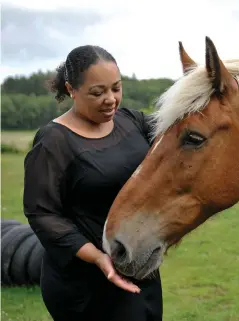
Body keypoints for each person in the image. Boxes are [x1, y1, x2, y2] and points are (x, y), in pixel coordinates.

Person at [23, 45, 163, 321]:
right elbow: (42, 213)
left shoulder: (131, 121)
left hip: (136, 264)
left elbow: (177, 134)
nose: (111, 99)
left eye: (116, 88)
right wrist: (99, 258)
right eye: (98, 93)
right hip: (86, 282)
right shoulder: (54, 142)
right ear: (71, 89)